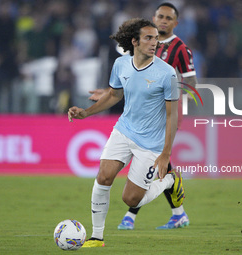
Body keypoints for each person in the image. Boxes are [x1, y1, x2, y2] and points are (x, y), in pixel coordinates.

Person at [68, 18, 183, 248]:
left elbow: (173, 116)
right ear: (134, 41)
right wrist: (85, 113)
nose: (154, 43)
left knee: (131, 198)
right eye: (148, 38)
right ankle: (97, 237)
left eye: (156, 39)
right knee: (104, 176)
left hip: (150, 143)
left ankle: (170, 180)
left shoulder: (167, 74)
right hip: (124, 130)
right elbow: (113, 95)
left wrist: (166, 154)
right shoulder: (121, 65)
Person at [89, 3, 196, 230]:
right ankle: (175, 210)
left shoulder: (180, 49)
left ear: (175, 23)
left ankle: (134, 213)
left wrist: (174, 99)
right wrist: (108, 94)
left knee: (157, 159)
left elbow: (191, 84)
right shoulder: (146, 42)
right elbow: (128, 81)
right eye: (160, 16)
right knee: (156, 167)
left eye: (169, 18)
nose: (163, 20)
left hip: (166, 111)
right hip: (136, 118)